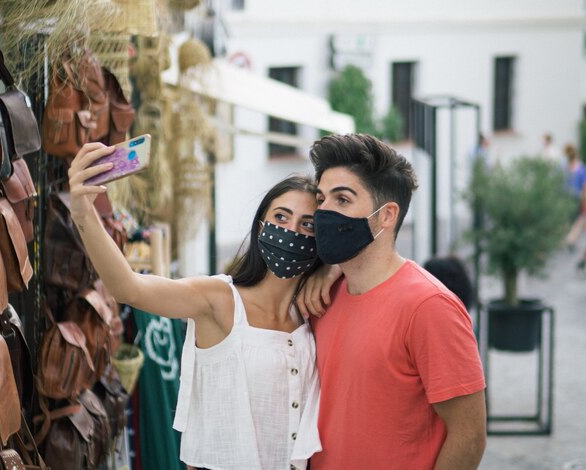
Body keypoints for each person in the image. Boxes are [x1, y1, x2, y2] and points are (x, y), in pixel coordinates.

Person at [68, 142, 322, 470]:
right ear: (261, 226)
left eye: (308, 225)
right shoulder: (219, 298)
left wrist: (330, 271)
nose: (291, 231)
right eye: (281, 217)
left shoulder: (311, 314)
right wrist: (83, 213)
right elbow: (128, 288)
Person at [297, 134, 487, 469]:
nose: (324, 212)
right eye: (321, 198)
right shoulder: (322, 297)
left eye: (342, 200)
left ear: (386, 216)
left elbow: (469, 436)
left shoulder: (429, 307)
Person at [563, 143, 586, 252]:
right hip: (577, 197)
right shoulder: (581, 168)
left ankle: (568, 239)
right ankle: (571, 240)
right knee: (579, 220)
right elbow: (584, 186)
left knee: (568, 219)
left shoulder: (563, 167)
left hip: (565, 197)